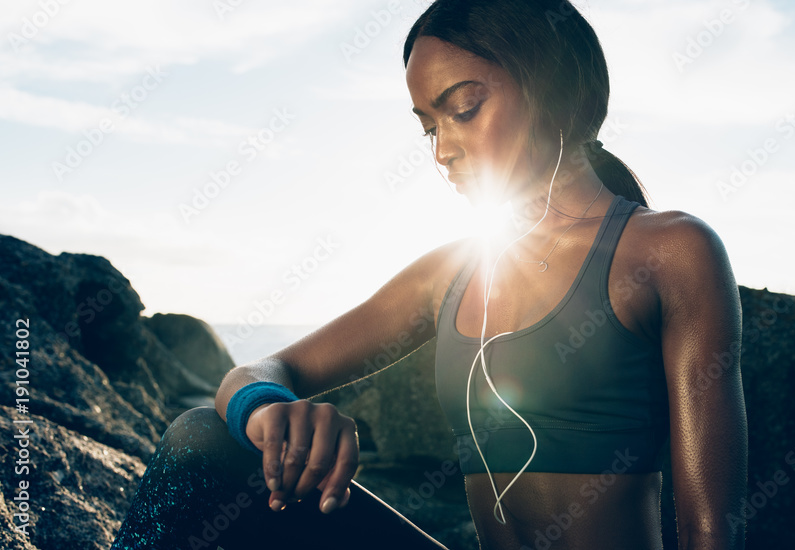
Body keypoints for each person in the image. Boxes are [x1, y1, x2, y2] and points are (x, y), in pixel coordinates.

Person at [110, 0, 748, 549]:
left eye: (464, 109)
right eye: (428, 127)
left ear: (553, 87)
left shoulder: (669, 251)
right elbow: (258, 373)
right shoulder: (451, 273)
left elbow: (709, 530)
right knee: (201, 439)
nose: (442, 150)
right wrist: (274, 412)